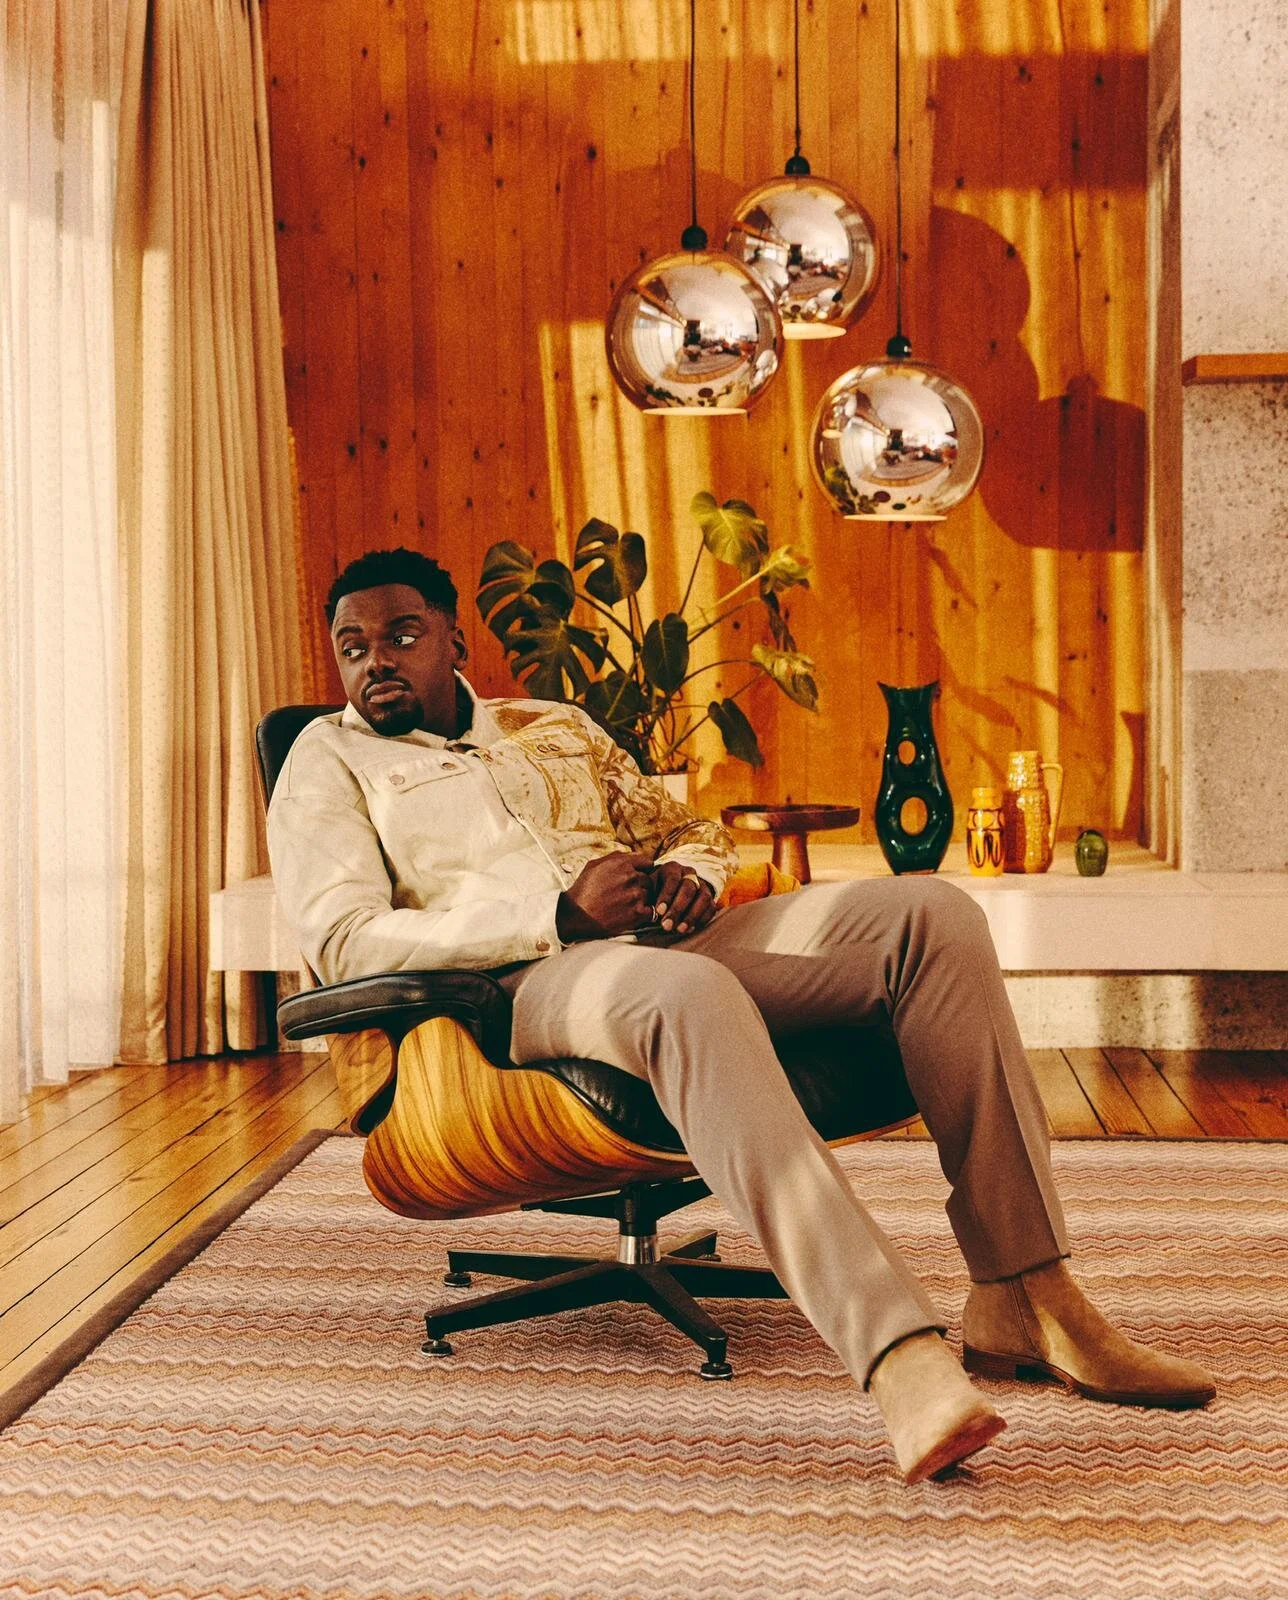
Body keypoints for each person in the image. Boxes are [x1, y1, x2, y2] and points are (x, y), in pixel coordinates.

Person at [267, 547, 1215, 1485]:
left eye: (401, 636)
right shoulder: (329, 759)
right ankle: (899, 1357)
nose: (375, 662)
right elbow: (344, 939)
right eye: (353, 647)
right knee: (687, 993)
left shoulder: (552, 725)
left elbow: (686, 830)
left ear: (453, 641)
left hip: (670, 942)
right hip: (517, 990)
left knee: (932, 916)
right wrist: (553, 915)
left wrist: (693, 875)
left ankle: (1026, 1290)